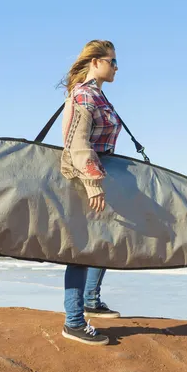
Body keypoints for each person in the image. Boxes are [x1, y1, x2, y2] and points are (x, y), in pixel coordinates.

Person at [58, 40, 122, 346]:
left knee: (102, 242)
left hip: (99, 178)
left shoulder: (98, 95)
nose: (116, 67)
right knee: (82, 250)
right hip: (85, 181)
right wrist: (93, 184)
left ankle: (91, 300)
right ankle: (73, 322)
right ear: (95, 62)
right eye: (112, 61)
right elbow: (78, 145)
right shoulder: (83, 94)